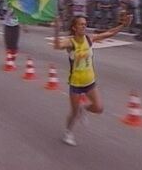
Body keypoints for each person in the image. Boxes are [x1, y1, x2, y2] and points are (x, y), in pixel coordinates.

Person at [54, 13, 132, 146]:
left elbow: (109, 33)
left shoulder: (89, 39)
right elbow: (56, 46)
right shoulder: (70, 42)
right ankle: (68, 133)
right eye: (81, 24)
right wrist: (56, 29)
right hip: (76, 83)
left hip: (90, 81)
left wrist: (123, 25)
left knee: (98, 108)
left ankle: (83, 109)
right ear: (74, 27)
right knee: (73, 113)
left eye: (85, 24)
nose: (84, 26)